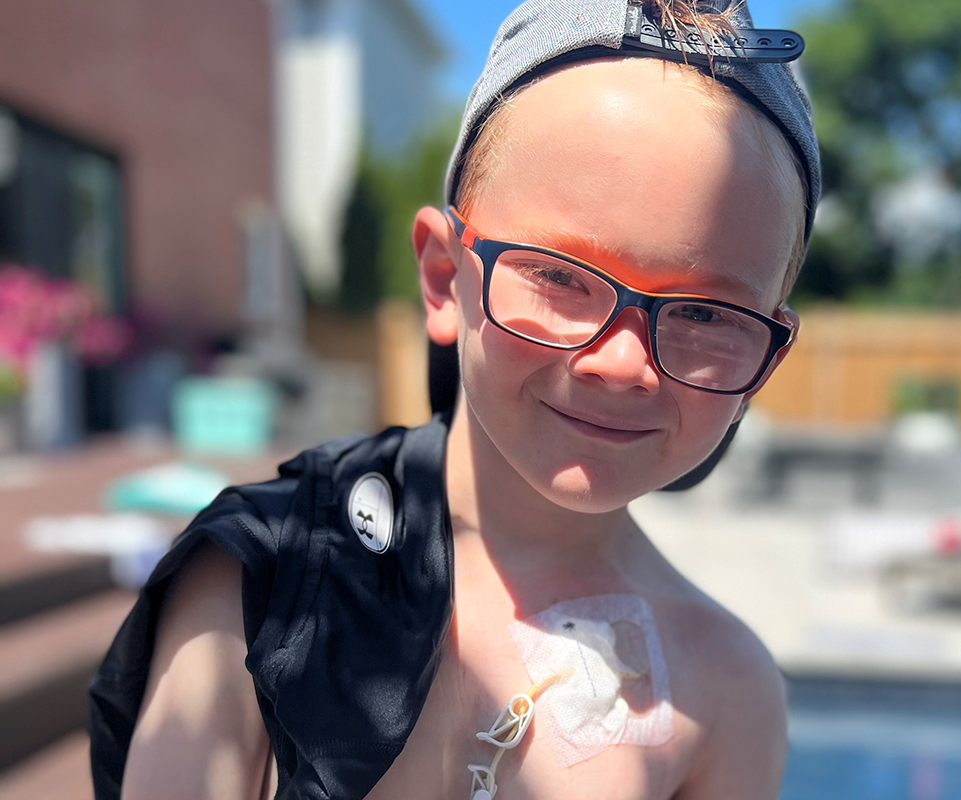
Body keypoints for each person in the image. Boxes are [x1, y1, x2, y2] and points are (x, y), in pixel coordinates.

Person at [89, 0, 821, 798]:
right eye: (558, 276)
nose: (623, 363)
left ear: (766, 355)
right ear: (445, 278)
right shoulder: (272, 578)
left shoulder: (725, 690)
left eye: (708, 314)